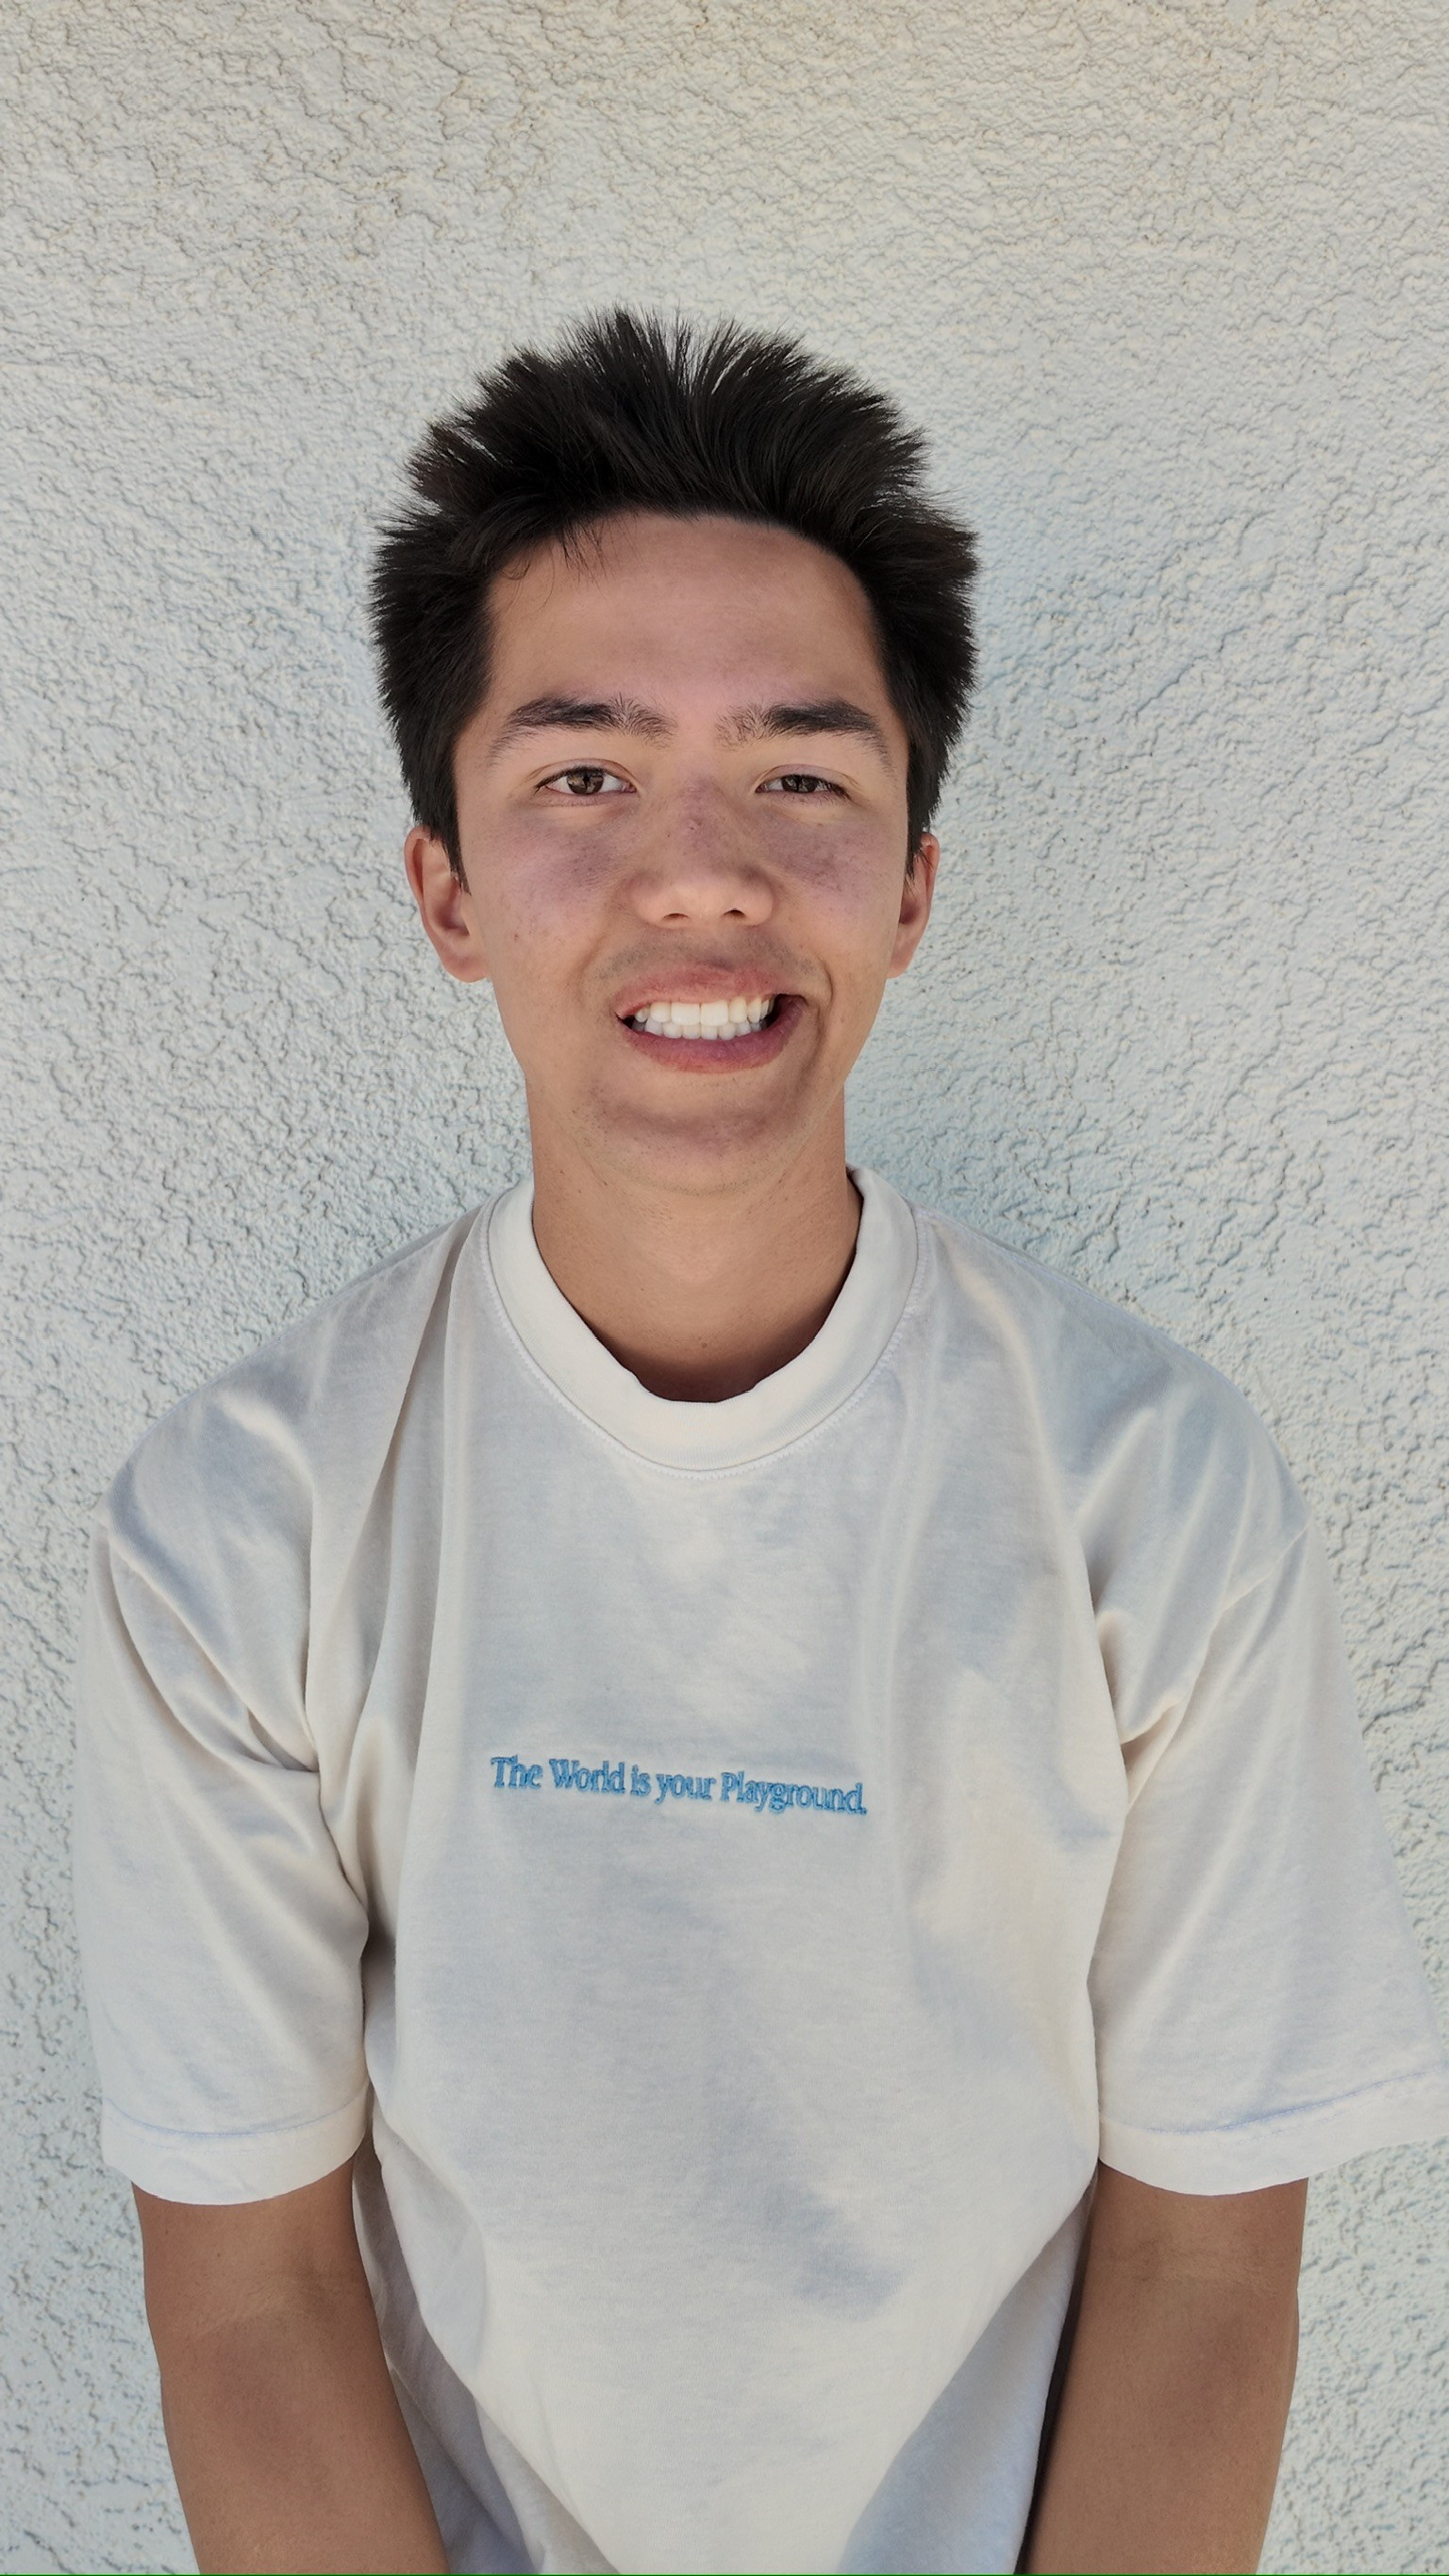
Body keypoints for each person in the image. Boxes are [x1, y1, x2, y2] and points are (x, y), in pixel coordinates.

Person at [75, 309, 1448, 2576]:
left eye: (803, 774)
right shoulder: (250, 1515)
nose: (700, 874)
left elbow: (1207, 2260)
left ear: (914, 881)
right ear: (444, 889)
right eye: (582, 777)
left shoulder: (1155, 1490)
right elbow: (246, 2290)